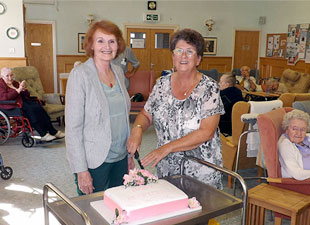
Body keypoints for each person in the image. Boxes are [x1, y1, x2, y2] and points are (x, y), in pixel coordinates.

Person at [127, 28, 224, 189]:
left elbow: (207, 132)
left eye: (190, 51)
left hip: (201, 171)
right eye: (179, 50)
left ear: (198, 59)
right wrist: (137, 129)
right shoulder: (161, 84)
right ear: (173, 56)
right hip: (167, 168)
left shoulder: (209, 88)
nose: (183, 56)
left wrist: (167, 148)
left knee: (201, 212)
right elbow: (146, 114)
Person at [65, 20, 131, 195]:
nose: (107, 46)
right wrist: (81, 170)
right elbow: (73, 128)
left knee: (119, 206)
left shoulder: (118, 72)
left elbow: (124, 117)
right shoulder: (80, 75)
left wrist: (129, 155)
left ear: (118, 45)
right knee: (93, 210)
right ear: (91, 45)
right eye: (100, 41)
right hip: (94, 160)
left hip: (121, 157)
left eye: (112, 41)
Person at [0, 67, 65, 142]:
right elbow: (4, 97)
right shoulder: (1, 85)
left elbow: (26, 95)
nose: (10, 78)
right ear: (2, 76)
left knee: (39, 108)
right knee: (31, 110)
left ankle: (53, 131)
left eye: (11, 75)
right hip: (12, 105)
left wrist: (24, 89)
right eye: (7, 76)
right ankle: (43, 134)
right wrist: (18, 90)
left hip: (23, 102)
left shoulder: (15, 83)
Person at [278, 109, 310, 180]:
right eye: (294, 129)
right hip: (304, 183)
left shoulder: (307, 138)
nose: (299, 133)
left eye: (303, 129)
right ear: (286, 129)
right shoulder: (285, 145)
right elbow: (297, 174)